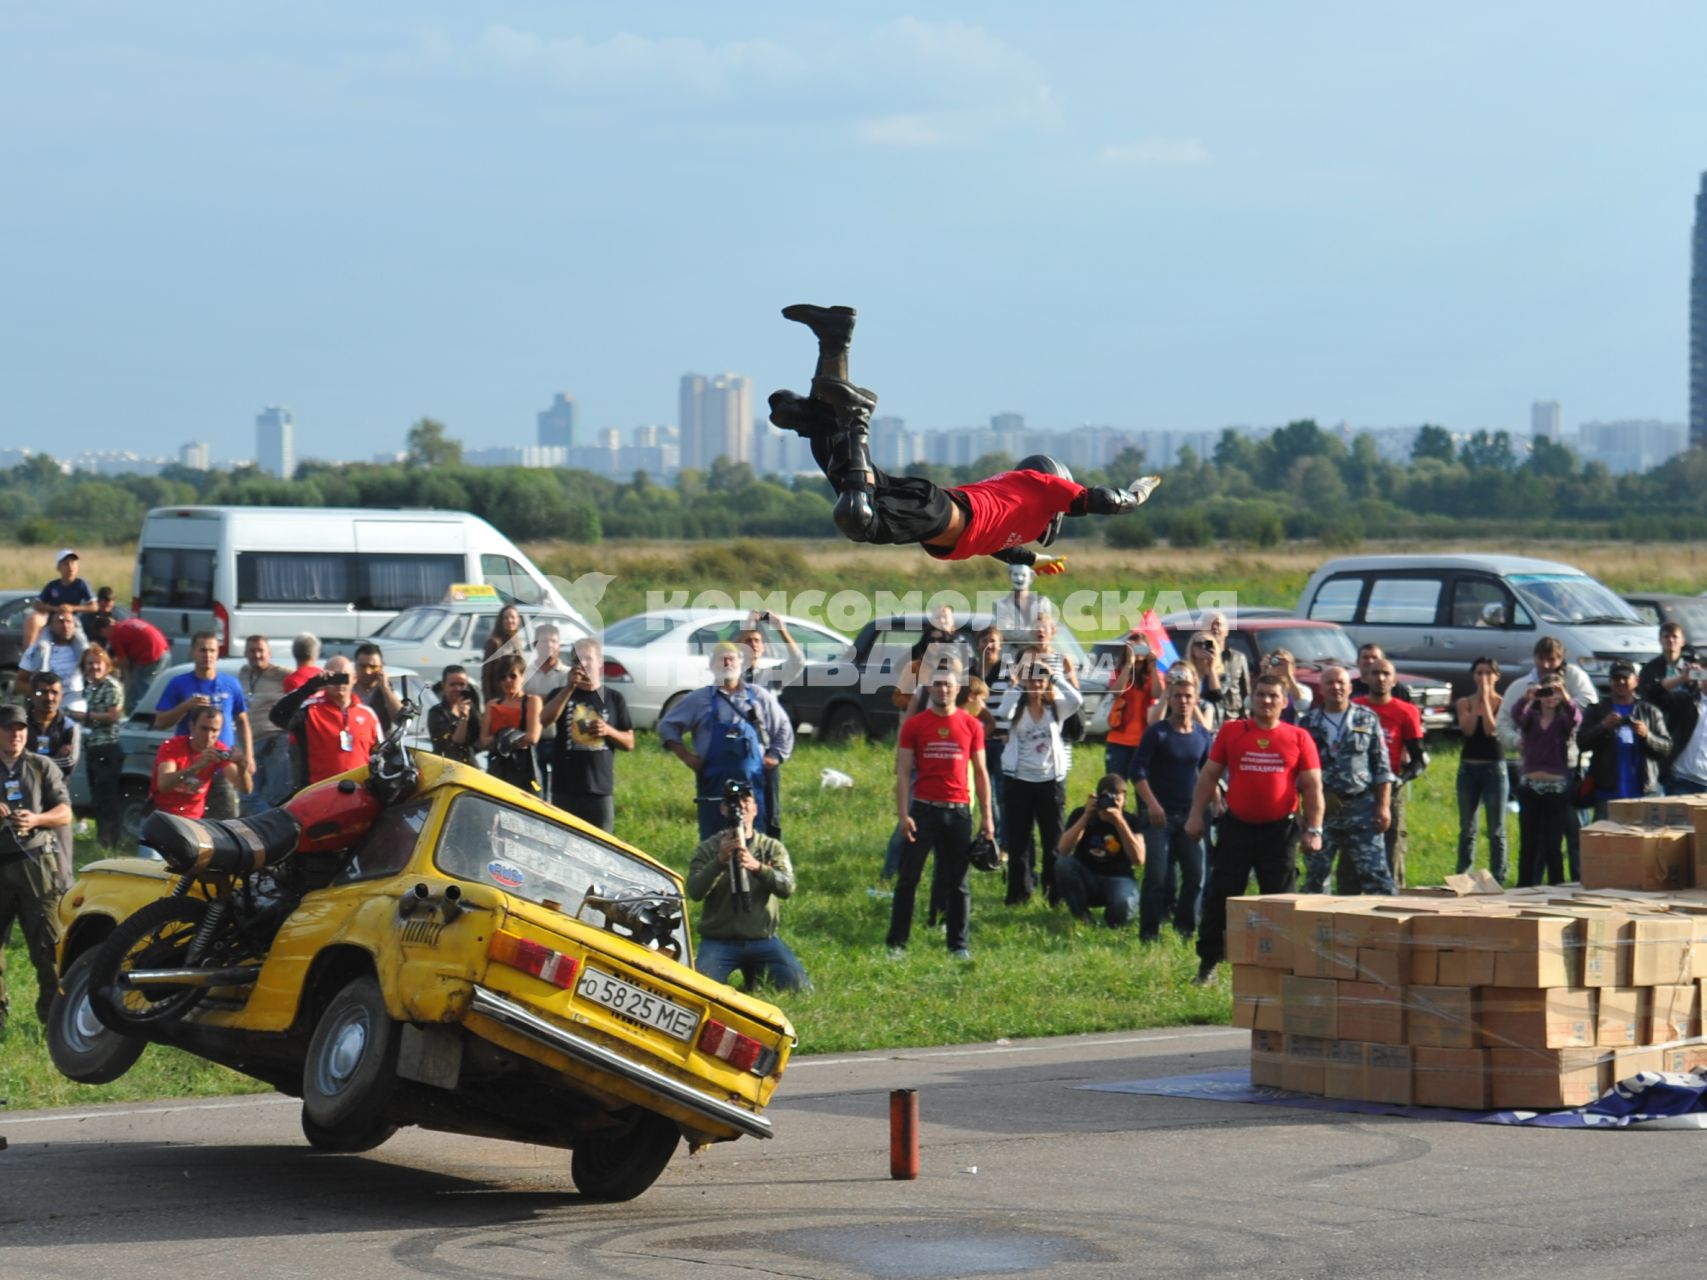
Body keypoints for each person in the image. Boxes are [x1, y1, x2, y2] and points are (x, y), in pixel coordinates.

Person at [769, 303, 1159, 565]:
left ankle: (833, 340)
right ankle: (858, 418)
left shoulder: (1016, 510)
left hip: (932, 507)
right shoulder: (1042, 487)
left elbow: (997, 544)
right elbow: (1104, 501)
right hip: (938, 512)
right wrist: (1138, 494)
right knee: (860, 522)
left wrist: (1032, 560)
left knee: (834, 454)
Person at [1187, 673, 1325, 984]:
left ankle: (1281, 967)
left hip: (1280, 832)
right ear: (1252, 699)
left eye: (1273, 696)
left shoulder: (1298, 737)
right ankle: (1208, 963)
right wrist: (1196, 815)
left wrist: (1314, 830)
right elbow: (1209, 776)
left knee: (1281, 901)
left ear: (1284, 701)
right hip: (1238, 828)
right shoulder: (1233, 731)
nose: (1266, 701)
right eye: (1261, 694)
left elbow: (1313, 787)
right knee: (1221, 896)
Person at [888, 659, 994, 960]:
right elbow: (904, 771)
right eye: (937, 684)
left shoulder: (972, 725)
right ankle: (897, 943)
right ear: (929, 687)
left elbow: (982, 773)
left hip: (959, 811)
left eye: (948, 684)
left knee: (958, 883)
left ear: (956, 687)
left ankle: (958, 946)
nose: (942, 689)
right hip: (923, 811)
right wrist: (903, 815)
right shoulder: (915, 725)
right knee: (908, 879)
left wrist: (987, 818)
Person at [659, 643, 794, 840]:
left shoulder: (758, 697)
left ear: (741, 663)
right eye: (721, 659)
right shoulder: (698, 699)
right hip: (714, 783)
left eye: (731, 658)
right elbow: (667, 726)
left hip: (752, 782)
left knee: (754, 838)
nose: (727, 662)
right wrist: (687, 757)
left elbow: (783, 728)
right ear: (712, 665)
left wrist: (775, 756)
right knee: (715, 839)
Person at [685, 778, 808, 991]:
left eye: (746, 801)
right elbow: (694, 891)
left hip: (762, 939)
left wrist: (758, 867)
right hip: (719, 941)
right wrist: (720, 861)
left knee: (801, 990)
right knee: (699, 992)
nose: (740, 806)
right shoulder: (708, 848)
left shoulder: (772, 848)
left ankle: (755, 980)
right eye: (733, 802)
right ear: (723, 809)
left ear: (755, 809)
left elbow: (787, 887)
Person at [0, 702, 73, 1034]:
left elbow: (65, 813)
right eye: (8, 729)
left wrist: (36, 818)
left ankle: (53, 1020)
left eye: (20, 729)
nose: (15, 735)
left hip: (36, 865)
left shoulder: (42, 766)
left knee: (48, 948)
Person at [995, 646, 1082, 905]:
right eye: (1031, 676)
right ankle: (1018, 894)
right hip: (1018, 780)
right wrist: (1021, 685)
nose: (1036, 681)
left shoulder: (1056, 707)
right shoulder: (1015, 700)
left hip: (1049, 782)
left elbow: (1076, 700)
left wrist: (1054, 676)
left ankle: (1054, 893)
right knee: (1019, 841)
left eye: (1039, 677)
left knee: (1053, 841)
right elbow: (1003, 713)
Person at [1298, 665, 1394, 896]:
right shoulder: (1307, 724)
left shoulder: (1367, 719)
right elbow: (1296, 774)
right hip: (1322, 812)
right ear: (1320, 688)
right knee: (1316, 877)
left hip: (1361, 808)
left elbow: (1382, 767)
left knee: (1375, 876)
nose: (1336, 687)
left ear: (1350, 687)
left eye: (1341, 682)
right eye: (1329, 683)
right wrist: (1300, 814)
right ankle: (1314, 928)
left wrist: (1383, 806)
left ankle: (1385, 928)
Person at [1131, 672, 1213, 940]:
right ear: (1169, 698)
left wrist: (1217, 801)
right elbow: (1138, 773)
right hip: (1159, 818)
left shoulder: (1202, 735)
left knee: (1195, 875)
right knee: (1156, 877)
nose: (1183, 701)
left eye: (1188, 696)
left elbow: (1208, 772)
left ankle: (1185, 929)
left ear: (1196, 700)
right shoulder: (1157, 733)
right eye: (1177, 696)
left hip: (1190, 817)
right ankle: (1149, 933)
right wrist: (1152, 806)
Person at [154, 630, 252, 819]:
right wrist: (185, 706)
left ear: (218, 653)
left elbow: (242, 720)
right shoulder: (179, 683)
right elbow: (160, 722)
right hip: (191, 763)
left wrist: (248, 756)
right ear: (193, 652)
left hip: (222, 761)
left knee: (226, 819)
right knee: (189, 817)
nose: (207, 655)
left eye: (212, 650)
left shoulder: (231, 684)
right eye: (202, 650)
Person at [542, 637, 634, 832]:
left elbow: (629, 742)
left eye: (587, 659)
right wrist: (569, 688)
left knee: (601, 847)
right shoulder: (560, 693)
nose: (582, 664)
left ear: (599, 662)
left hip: (598, 790)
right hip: (564, 788)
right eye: (577, 660)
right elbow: (544, 720)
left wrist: (608, 730)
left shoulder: (613, 698)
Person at [1353, 659, 1427, 888]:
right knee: (1352, 855)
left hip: (1389, 790)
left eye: (1386, 674)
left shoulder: (1406, 712)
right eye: (1375, 673)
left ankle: (1394, 898)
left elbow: (1419, 760)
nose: (1381, 678)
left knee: (1392, 849)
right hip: (1356, 792)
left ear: (1394, 680)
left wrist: (1399, 780)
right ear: (1365, 677)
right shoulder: (1354, 708)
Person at [270, 655, 383, 790]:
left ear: (354, 679)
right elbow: (277, 716)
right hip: (319, 795)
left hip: (360, 793)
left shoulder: (368, 714)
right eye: (333, 677)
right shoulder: (309, 710)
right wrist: (310, 687)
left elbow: (381, 754)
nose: (339, 683)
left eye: (344, 677)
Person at [1578, 659, 1671, 819]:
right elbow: (1582, 743)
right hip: (1606, 794)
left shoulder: (1650, 711)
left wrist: (1647, 735)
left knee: (1641, 843)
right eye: (1616, 678)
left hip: (1643, 794)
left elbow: (1667, 747)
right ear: (1609, 681)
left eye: (1625, 678)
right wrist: (1603, 727)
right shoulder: (1598, 710)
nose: (1620, 682)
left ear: (1636, 681)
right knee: (1606, 842)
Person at [1514, 671, 1581, 887]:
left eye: (1555, 692)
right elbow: (1516, 714)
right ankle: (1524, 886)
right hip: (1530, 786)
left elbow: (1576, 718)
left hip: (1556, 788)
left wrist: (1566, 696)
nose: (1551, 696)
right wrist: (1527, 697)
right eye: (1547, 691)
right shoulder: (1531, 718)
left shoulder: (1562, 721)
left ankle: (1556, 886)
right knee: (1529, 842)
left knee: (1553, 843)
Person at [1055, 774, 1144, 927]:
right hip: (1087, 877)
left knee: (1124, 904)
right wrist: (1086, 816)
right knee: (1063, 865)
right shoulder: (1082, 814)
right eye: (1105, 798)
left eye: (1117, 799)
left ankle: (1112, 919)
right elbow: (1062, 850)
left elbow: (1139, 860)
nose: (1110, 804)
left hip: (1119, 878)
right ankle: (1082, 915)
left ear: (1124, 800)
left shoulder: (1131, 821)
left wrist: (1119, 822)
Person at [1455, 657, 1509, 883]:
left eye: (1488, 673)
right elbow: (1468, 730)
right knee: (1467, 827)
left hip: (1494, 769)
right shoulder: (1464, 702)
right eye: (1479, 672)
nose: (1484, 677)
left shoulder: (1503, 703)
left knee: (1496, 828)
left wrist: (1486, 699)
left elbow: (1490, 730)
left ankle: (1498, 876)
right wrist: (1477, 701)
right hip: (1468, 768)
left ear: (1497, 676)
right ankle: (1462, 875)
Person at [24, 672, 79, 888]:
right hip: (23, 800)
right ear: (32, 694)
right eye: (43, 692)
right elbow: (11, 761)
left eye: (54, 692)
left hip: (56, 803)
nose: (49, 697)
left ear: (62, 694)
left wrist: (28, 760)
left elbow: (70, 763)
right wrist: (53, 759)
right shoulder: (20, 724)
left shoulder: (69, 727)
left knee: (62, 870)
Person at [149, 706, 251, 819]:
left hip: (193, 818)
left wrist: (241, 766)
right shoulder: (173, 746)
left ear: (220, 731)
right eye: (204, 729)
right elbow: (163, 785)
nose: (209, 736)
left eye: (214, 730)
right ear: (192, 727)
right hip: (161, 814)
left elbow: (245, 789)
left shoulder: (219, 750)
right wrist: (198, 766)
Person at [71, 645, 125, 848]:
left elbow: (113, 715)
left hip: (108, 747)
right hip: (92, 747)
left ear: (107, 665)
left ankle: (110, 842)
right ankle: (103, 839)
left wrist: (82, 716)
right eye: (90, 663)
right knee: (97, 797)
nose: (94, 667)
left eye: (98, 663)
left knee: (107, 797)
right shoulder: (87, 687)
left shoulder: (111, 686)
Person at [1639, 622, 1693, 790]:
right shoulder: (1651, 668)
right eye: (1666, 637)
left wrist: (1694, 681)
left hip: (1684, 728)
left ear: (1682, 641)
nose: (1671, 641)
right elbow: (1649, 692)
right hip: (1659, 725)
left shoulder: (1691, 667)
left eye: (1675, 637)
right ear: (1660, 640)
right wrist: (1681, 680)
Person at [239, 634, 290, 810]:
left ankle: (273, 829)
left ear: (269, 653)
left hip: (275, 742)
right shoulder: (244, 673)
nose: (257, 655)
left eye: (261, 650)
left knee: (277, 796)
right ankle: (264, 827)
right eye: (252, 651)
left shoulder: (282, 674)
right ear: (245, 653)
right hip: (250, 745)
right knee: (247, 797)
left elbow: (304, 683)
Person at [479, 654, 543, 794]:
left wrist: (501, 739)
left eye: (512, 676)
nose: (507, 681)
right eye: (502, 677)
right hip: (499, 766)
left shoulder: (532, 701)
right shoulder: (493, 705)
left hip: (525, 767)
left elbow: (532, 737)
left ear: (523, 676)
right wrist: (509, 737)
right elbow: (483, 740)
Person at [1104, 637, 1164, 781]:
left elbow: (1157, 693)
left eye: (1142, 649)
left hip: (1144, 741)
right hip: (1118, 741)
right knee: (1115, 786)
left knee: (1144, 791)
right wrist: (1128, 665)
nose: (1138, 654)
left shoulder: (1152, 674)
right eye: (1134, 649)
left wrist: (1154, 666)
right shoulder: (1119, 672)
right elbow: (1116, 692)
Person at [525, 623, 571, 798]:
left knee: (559, 790)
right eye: (544, 641)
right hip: (533, 739)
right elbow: (521, 700)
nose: (550, 645)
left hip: (558, 737)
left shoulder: (568, 674)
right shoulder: (525, 673)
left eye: (554, 641)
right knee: (536, 790)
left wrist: (538, 699)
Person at [20, 548, 95, 651]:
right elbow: (37, 604)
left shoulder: (81, 584)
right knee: (43, 647)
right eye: (66, 564)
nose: (70, 567)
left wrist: (72, 608)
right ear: (59, 567)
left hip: (72, 622)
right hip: (53, 622)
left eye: (73, 563)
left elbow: (94, 606)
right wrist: (55, 609)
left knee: (83, 647)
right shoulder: (53, 585)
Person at [106, 615, 172, 713]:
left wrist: (108, 666)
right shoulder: (129, 622)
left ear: (104, 629)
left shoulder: (115, 634)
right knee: (157, 689)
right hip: (165, 651)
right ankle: (160, 714)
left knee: (137, 694)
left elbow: (124, 663)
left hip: (151, 656)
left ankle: (136, 718)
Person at [20, 607, 88, 702]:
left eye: (69, 621)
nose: (65, 625)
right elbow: (19, 683)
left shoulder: (85, 652)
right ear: (51, 626)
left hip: (75, 704)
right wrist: (42, 692)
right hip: (46, 704)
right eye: (60, 622)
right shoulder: (36, 651)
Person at [428, 664, 481, 765]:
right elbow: (456, 743)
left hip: (469, 765)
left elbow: (479, 737)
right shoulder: (436, 713)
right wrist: (463, 719)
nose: (458, 689)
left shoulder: (470, 707)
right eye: (452, 684)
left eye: (462, 684)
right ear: (443, 686)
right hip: (447, 766)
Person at [1202, 613, 1250, 719]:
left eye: (1218, 624)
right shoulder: (1196, 658)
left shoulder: (1238, 658)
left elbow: (1245, 692)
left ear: (1227, 631)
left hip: (1232, 718)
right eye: (1210, 624)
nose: (1214, 628)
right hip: (1206, 720)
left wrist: (1246, 719)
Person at [993, 562, 1054, 643]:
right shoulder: (1000, 604)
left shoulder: (1042, 603)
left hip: (1038, 652)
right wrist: (1037, 633)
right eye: (1015, 575)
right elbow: (1007, 633)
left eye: (1023, 575)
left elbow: (1048, 629)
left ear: (1031, 577)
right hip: (1012, 654)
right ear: (1010, 576)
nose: (1019, 578)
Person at [353, 642, 404, 737]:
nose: (367, 672)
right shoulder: (347, 690)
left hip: (380, 747)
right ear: (355, 665)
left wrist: (385, 688)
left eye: (373, 667)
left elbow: (400, 719)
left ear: (381, 667)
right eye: (363, 666)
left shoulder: (387, 691)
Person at [1186, 630, 1231, 733]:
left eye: (1208, 644)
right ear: (1192, 649)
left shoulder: (1222, 676)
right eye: (1198, 644)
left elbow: (1216, 696)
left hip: (1212, 727)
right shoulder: (1186, 672)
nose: (1203, 647)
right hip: (1187, 723)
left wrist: (1211, 667)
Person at [482, 605, 526, 702]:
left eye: (513, 618)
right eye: (506, 618)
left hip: (515, 696)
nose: (510, 621)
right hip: (498, 696)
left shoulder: (518, 641)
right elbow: (486, 675)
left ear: (518, 620)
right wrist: (488, 700)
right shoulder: (494, 643)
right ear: (501, 621)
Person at [1350, 643, 1415, 705]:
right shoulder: (1349, 687)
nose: (1370, 661)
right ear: (1357, 662)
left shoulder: (1396, 688)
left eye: (1374, 657)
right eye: (1365, 657)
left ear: (1383, 662)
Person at [1263, 647, 1313, 723]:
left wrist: (1288, 675)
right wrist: (1263, 673)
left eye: (1283, 665)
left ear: (1293, 668)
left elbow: (1302, 706)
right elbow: (1249, 704)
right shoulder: (1264, 688)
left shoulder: (1303, 690)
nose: (1279, 669)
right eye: (1276, 664)